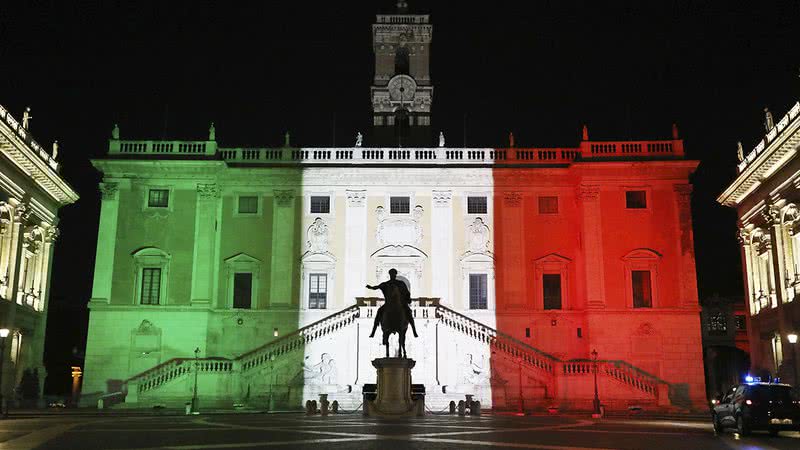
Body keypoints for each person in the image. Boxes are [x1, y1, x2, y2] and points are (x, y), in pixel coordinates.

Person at [366, 268, 418, 338]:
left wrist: (408, 299)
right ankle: (373, 331)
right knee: (379, 312)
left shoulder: (400, 283)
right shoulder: (386, 283)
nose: (392, 275)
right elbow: (377, 287)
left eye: (393, 274)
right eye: (391, 274)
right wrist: (370, 287)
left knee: (408, 312)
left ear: (395, 275)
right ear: (390, 275)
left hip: (399, 304)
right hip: (388, 304)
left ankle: (414, 330)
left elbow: (407, 292)